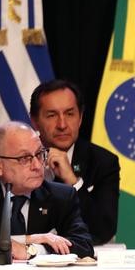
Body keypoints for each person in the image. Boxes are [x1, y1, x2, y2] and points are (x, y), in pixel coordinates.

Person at [0, 121, 94, 260]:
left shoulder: (62, 196)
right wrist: (29, 239)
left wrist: (33, 250)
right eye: (25, 158)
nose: (37, 166)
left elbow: (84, 245)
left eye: (39, 154)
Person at [30, 79, 120, 245]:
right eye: (52, 115)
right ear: (35, 120)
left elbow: (103, 231)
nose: (62, 125)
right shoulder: (20, 159)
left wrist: (73, 182)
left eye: (70, 114)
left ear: (80, 118)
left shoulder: (103, 162)